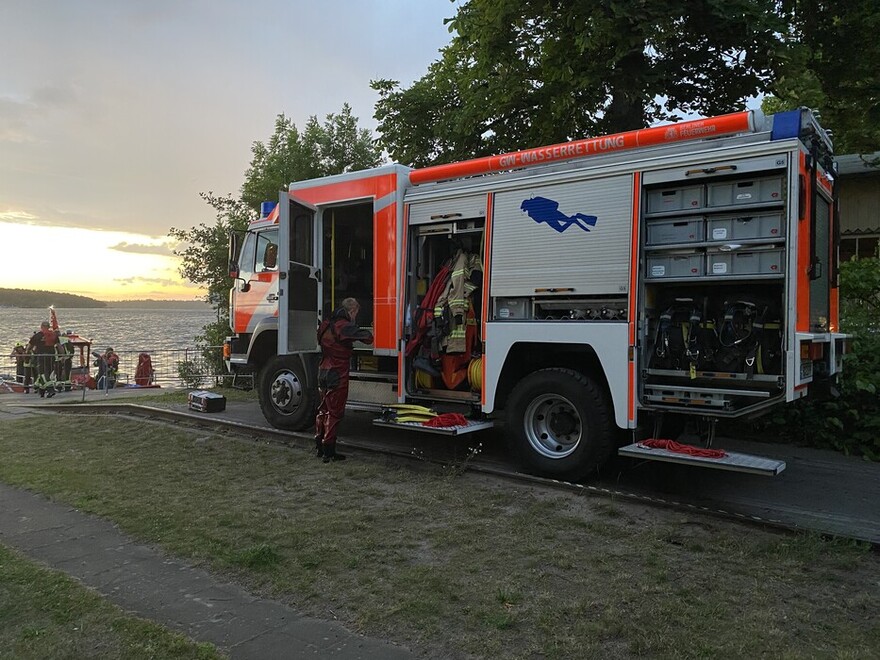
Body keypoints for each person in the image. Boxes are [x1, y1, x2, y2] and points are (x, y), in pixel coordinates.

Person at [314, 297, 373, 463]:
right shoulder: (344, 326)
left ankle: (319, 446)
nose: (356, 316)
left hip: (323, 370)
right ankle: (329, 451)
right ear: (352, 310)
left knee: (323, 409)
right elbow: (368, 338)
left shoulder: (326, 324)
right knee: (335, 412)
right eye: (356, 313)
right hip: (337, 372)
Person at [27, 321, 59, 398]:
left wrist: (27, 352)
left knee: (43, 374)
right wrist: (62, 356)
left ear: (41, 326)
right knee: (46, 373)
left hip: (41, 357)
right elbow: (59, 346)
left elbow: (29, 346)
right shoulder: (54, 335)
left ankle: (51, 389)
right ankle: (41, 391)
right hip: (52, 357)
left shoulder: (37, 336)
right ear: (49, 327)